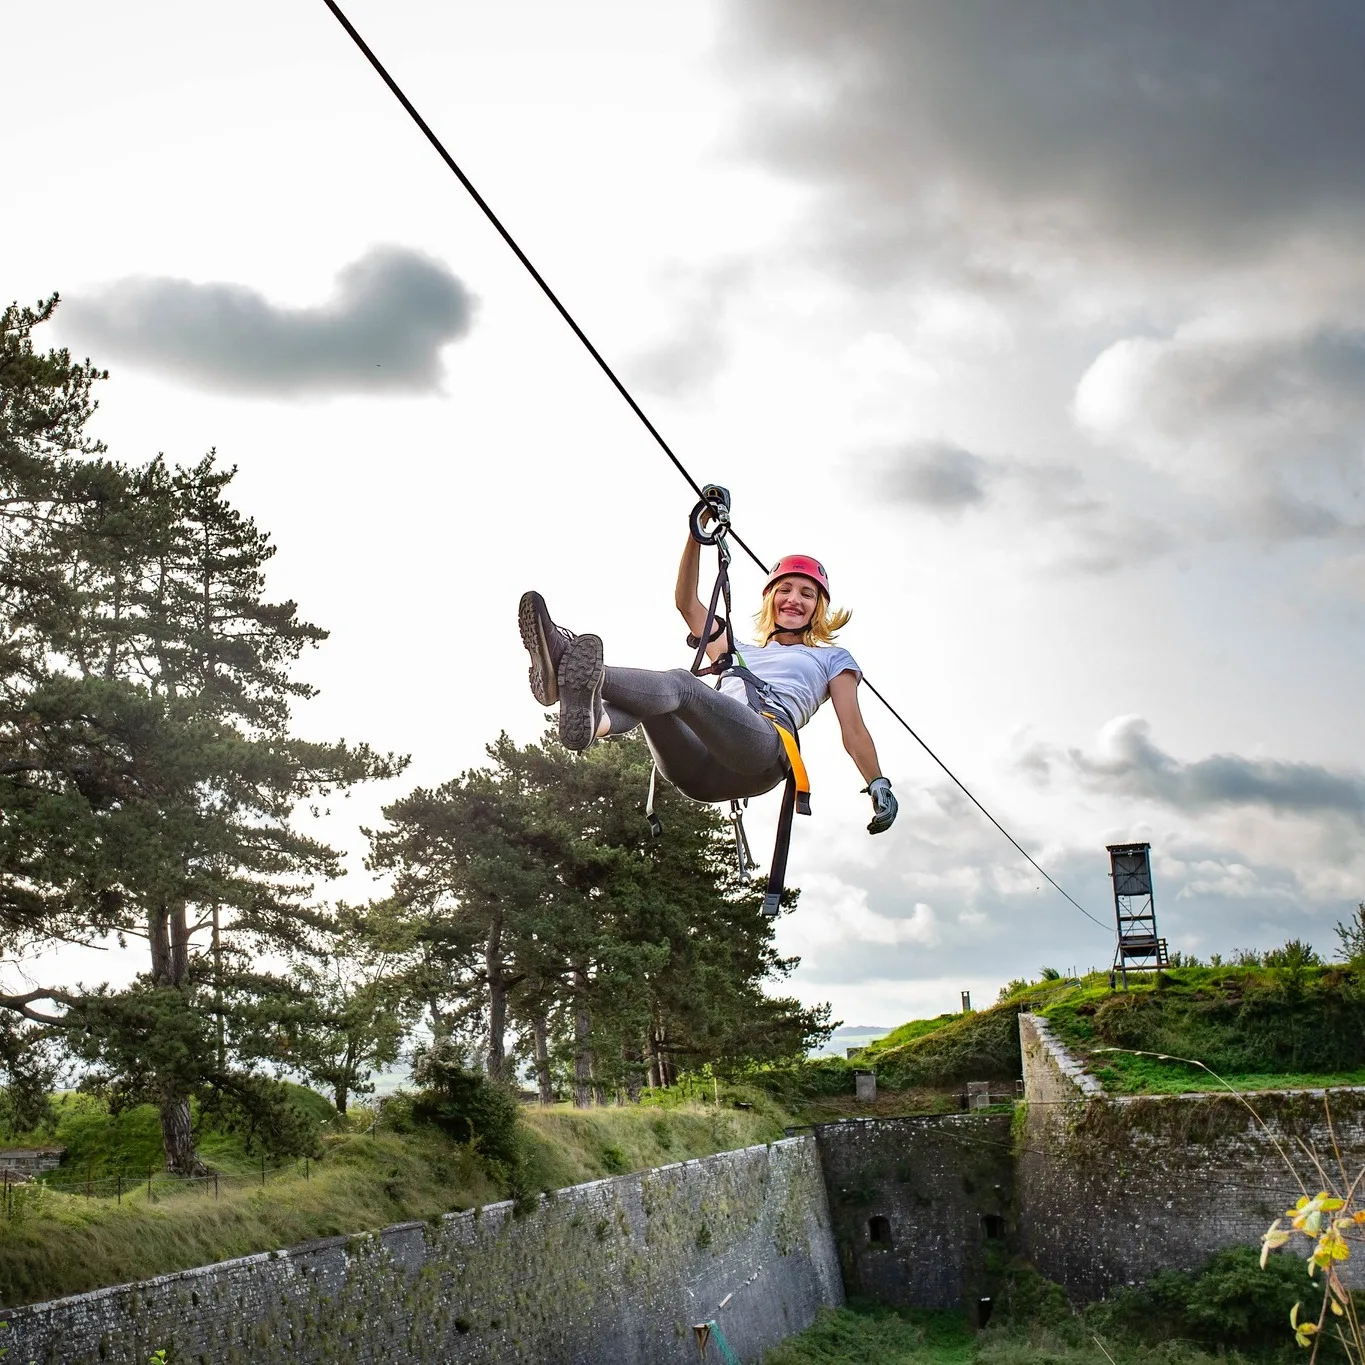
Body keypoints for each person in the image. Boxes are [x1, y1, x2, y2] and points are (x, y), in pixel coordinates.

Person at [518, 533, 897, 836]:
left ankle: (567, 662)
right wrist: (696, 537)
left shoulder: (832, 658)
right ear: (770, 599)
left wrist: (877, 783)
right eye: (785, 590)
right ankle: (596, 723)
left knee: (681, 686)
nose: (793, 599)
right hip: (694, 772)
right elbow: (687, 604)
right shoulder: (735, 647)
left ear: (818, 607)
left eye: (806, 593)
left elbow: (854, 729)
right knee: (659, 702)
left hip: (761, 751)